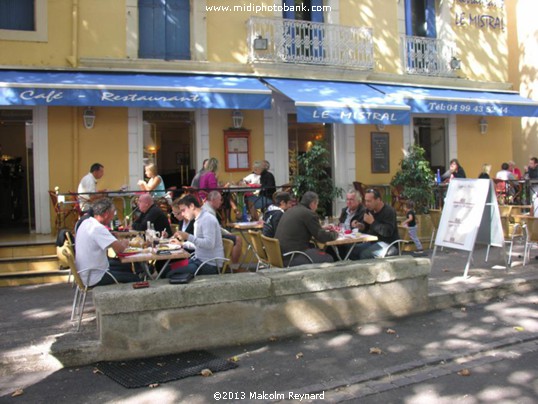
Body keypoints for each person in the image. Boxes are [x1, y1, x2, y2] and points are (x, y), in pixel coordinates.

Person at [75, 198, 139, 286]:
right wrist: (126, 241)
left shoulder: (86, 222)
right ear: (106, 214)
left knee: (126, 266)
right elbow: (119, 249)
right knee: (135, 278)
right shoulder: (97, 228)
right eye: (113, 213)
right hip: (95, 276)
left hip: (87, 272)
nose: (113, 216)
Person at [167, 194, 224, 276]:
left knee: (171, 273)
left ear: (192, 206)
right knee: (168, 269)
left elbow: (209, 244)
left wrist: (187, 236)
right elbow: (198, 244)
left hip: (209, 264)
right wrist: (182, 244)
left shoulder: (207, 219)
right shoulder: (198, 219)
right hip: (198, 260)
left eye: (183, 210)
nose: (182, 214)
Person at [275, 191, 337, 266]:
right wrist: (335, 233)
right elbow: (321, 236)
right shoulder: (309, 214)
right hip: (292, 257)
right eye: (317, 204)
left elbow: (302, 227)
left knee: (316, 249)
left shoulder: (291, 210)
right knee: (329, 258)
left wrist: (321, 228)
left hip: (280, 255)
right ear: (312, 204)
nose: (317, 207)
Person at [348, 188, 400, 260]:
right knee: (352, 251)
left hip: (388, 244)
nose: (366, 204)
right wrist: (360, 226)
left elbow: (388, 232)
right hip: (373, 242)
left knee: (364, 254)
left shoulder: (389, 211)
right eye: (365, 201)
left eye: (369, 201)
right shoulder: (369, 210)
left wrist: (372, 222)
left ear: (378, 200)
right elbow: (366, 228)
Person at [202, 191, 243, 268]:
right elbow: (217, 228)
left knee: (234, 238)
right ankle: (234, 267)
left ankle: (231, 265)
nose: (221, 202)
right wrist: (227, 233)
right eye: (220, 200)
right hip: (212, 239)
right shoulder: (209, 211)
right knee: (238, 239)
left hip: (210, 237)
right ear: (213, 200)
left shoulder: (206, 207)